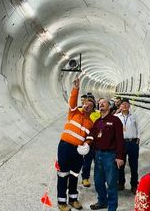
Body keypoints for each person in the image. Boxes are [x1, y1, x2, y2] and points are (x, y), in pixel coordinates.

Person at [56, 77, 96, 211]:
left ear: (92, 110)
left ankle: (73, 199)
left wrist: (87, 144)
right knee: (63, 174)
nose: (86, 106)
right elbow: (72, 101)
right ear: (82, 104)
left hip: (78, 151)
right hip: (65, 147)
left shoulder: (91, 123)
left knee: (74, 175)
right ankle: (62, 202)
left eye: (90, 106)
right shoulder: (74, 112)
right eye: (85, 104)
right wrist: (76, 88)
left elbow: (90, 137)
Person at [88, 98, 125, 211]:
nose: (101, 104)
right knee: (98, 181)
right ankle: (102, 201)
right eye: (99, 103)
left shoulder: (115, 120)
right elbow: (92, 137)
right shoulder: (98, 121)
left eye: (104, 103)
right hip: (98, 155)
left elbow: (120, 140)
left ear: (109, 106)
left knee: (111, 183)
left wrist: (120, 157)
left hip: (110, 156)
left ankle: (112, 207)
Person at [115, 98, 140, 194]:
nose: (125, 106)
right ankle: (121, 183)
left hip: (133, 142)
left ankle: (134, 185)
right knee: (120, 164)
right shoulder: (117, 117)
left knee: (134, 165)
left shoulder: (134, 116)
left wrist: (138, 138)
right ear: (120, 106)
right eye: (123, 104)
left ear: (129, 106)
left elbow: (138, 127)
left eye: (126, 104)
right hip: (121, 143)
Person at [81, 94, 101, 188]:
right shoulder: (82, 112)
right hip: (86, 140)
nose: (89, 107)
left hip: (96, 141)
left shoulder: (98, 113)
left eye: (91, 105)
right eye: (87, 105)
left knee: (97, 161)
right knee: (87, 161)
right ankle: (85, 178)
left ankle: (98, 179)